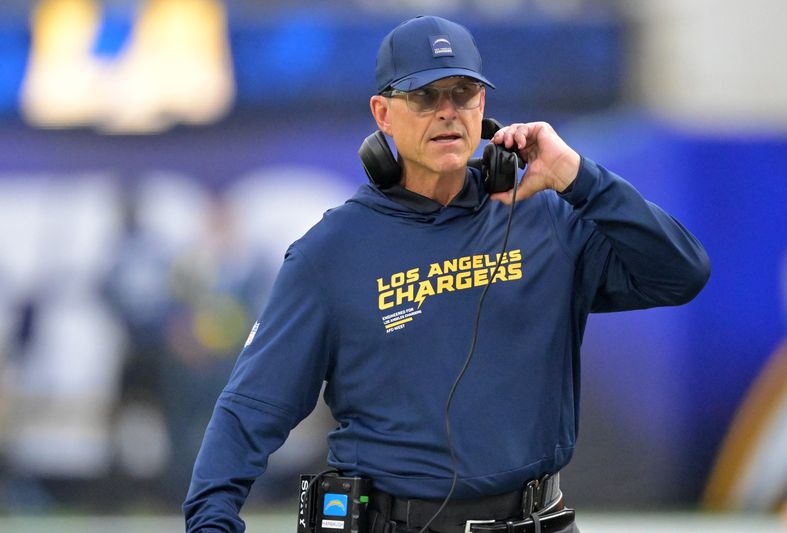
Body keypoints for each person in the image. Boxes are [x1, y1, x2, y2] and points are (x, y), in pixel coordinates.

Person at [183, 15, 710, 533]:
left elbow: (681, 272)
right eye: (425, 96)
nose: (447, 112)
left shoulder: (546, 216)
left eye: (463, 93)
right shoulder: (332, 254)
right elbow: (251, 408)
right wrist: (210, 520)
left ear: (483, 107)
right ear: (383, 113)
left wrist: (580, 177)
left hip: (538, 519)